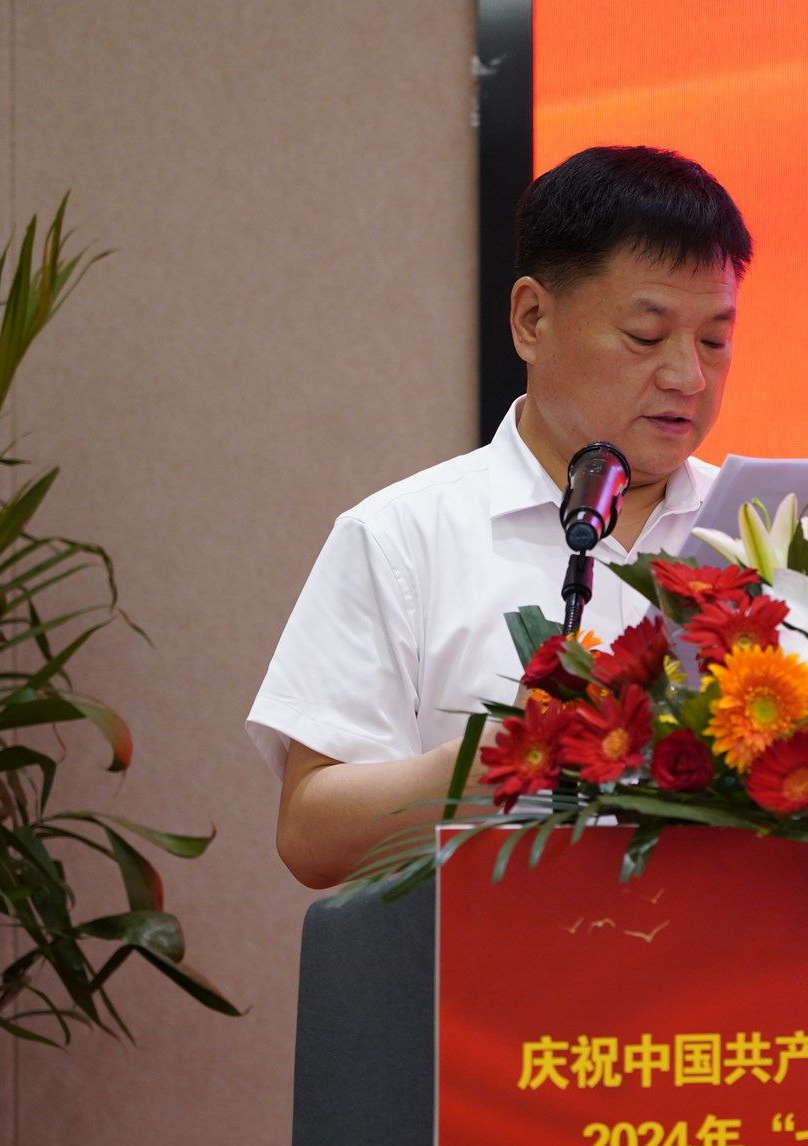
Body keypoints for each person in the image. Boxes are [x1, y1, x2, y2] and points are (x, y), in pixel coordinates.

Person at [247, 145, 754, 890]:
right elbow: (311, 834)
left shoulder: (766, 536)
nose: (689, 376)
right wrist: (495, 765)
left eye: (715, 340)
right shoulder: (402, 538)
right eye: (646, 336)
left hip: (730, 961)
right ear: (531, 319)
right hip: (494, 961)